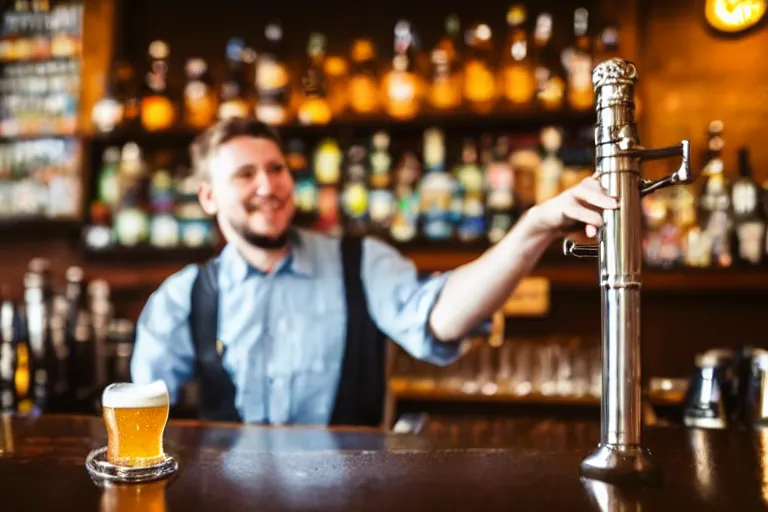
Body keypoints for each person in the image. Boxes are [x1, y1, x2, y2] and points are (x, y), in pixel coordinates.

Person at [130, 117, 617, 426]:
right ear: (209, 197)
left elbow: (441, 319)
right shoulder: (184, 297)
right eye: (245, 174)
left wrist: (533, 228)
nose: (269, 186)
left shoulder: (360, 262)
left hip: (349, 496)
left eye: (276, 169)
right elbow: (146, 420)